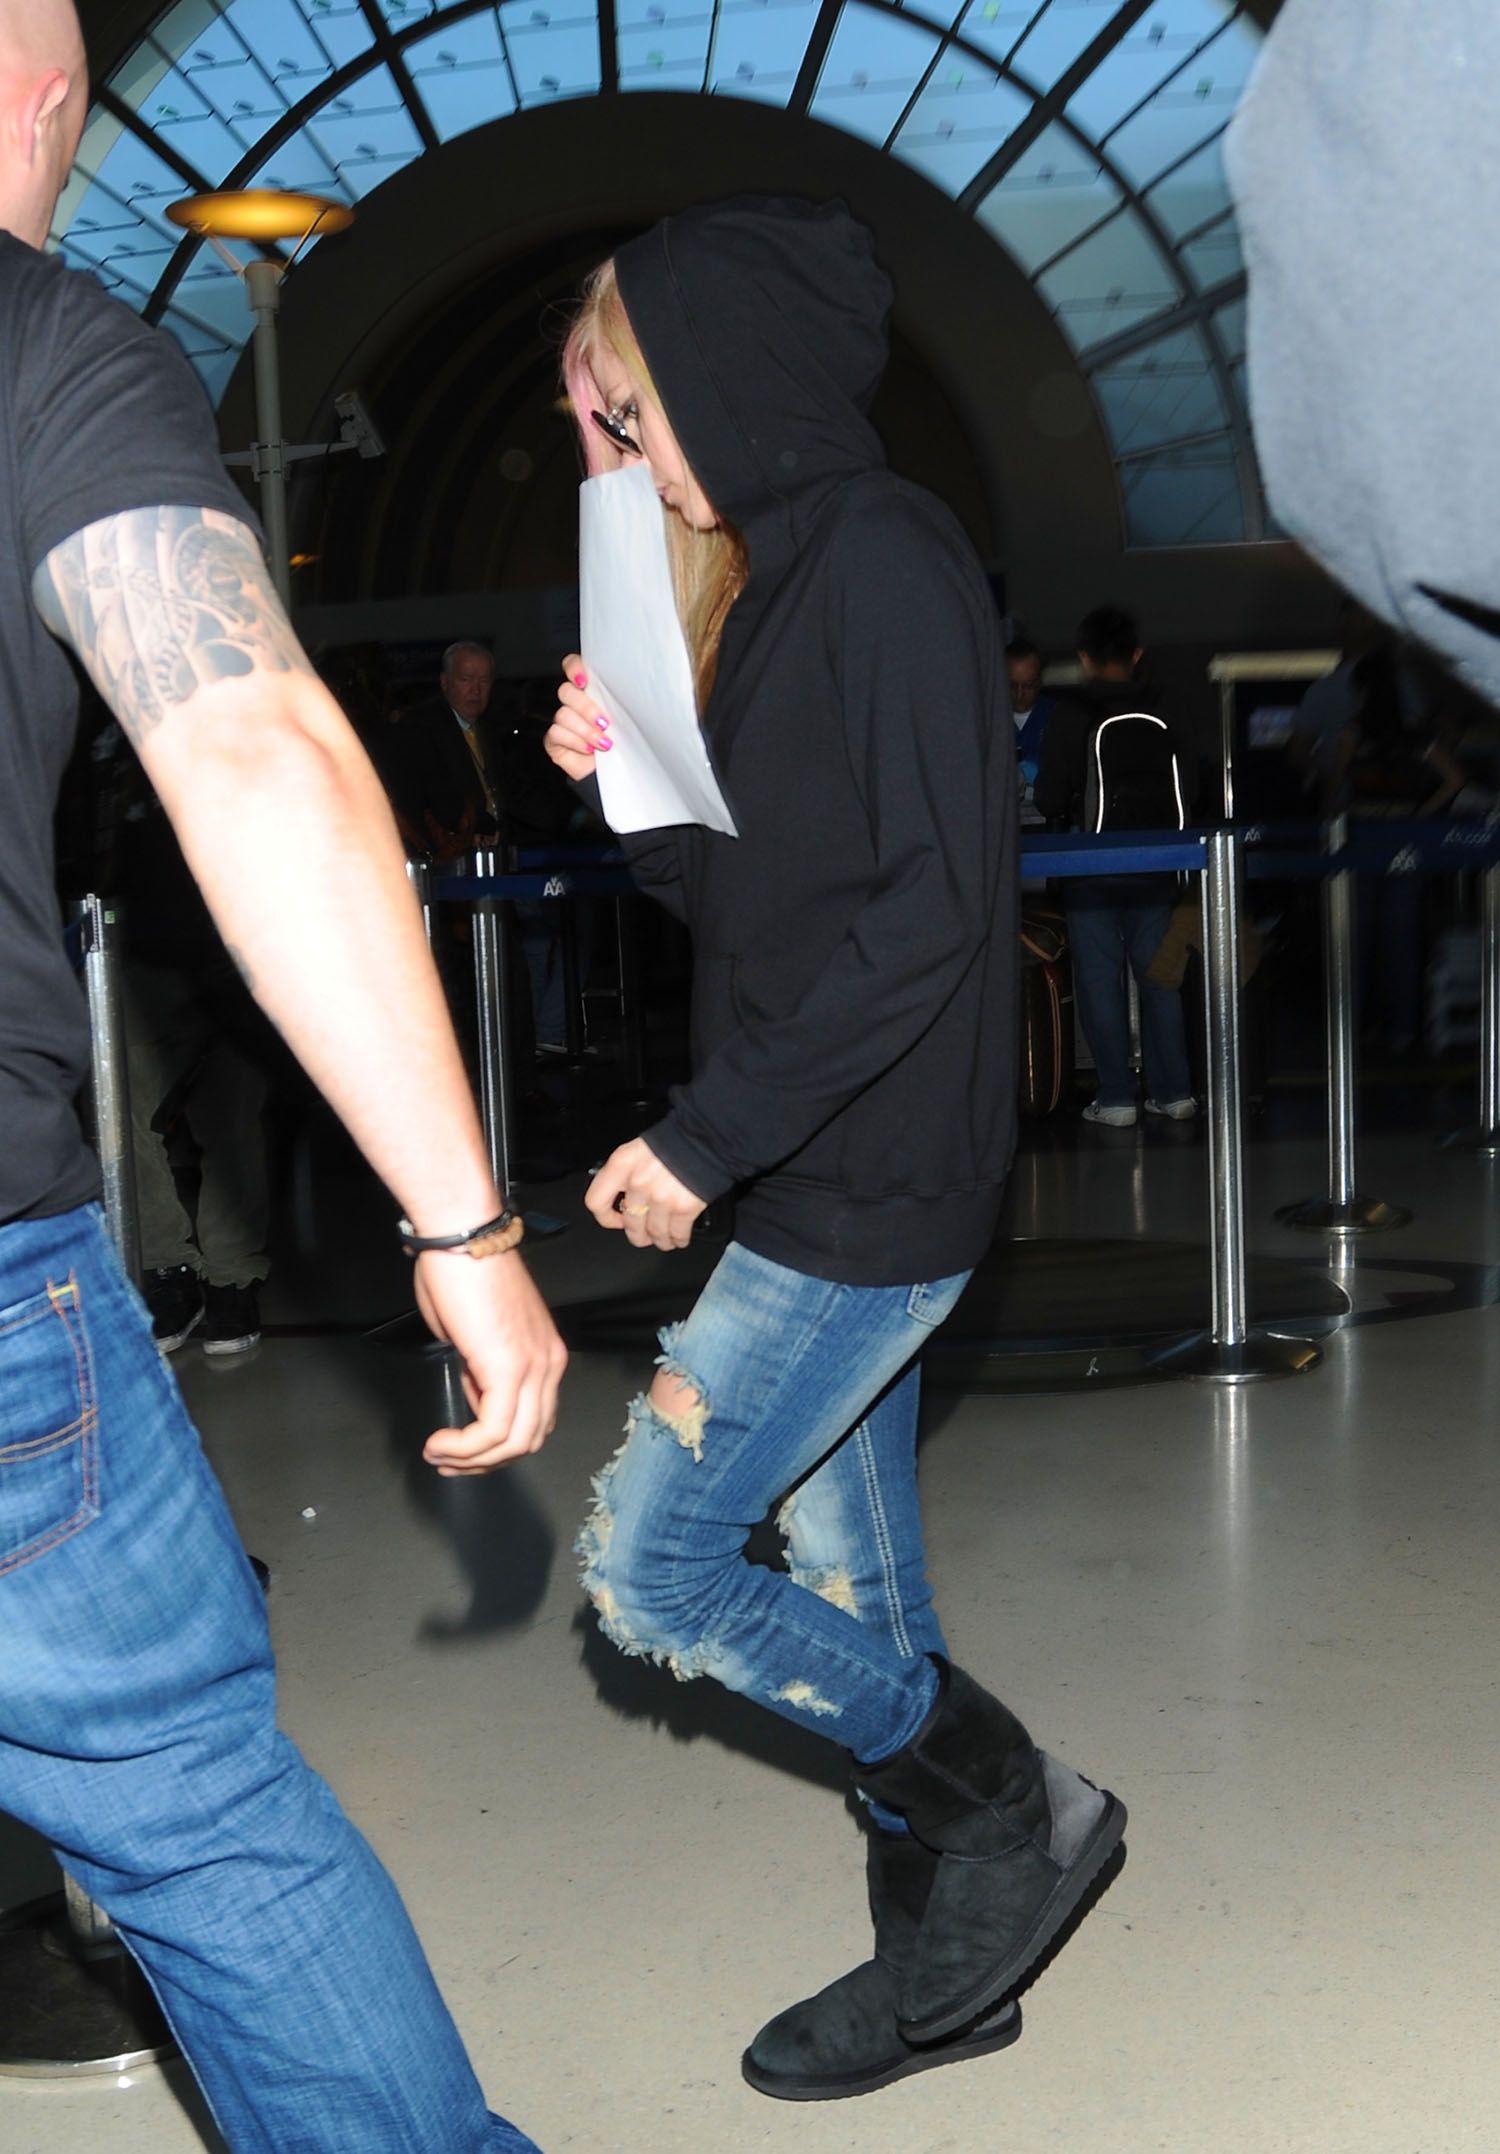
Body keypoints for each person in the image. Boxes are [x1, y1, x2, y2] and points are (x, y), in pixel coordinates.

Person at [0, 4, 565, 2146]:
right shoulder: (46, 344)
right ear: (42, 102)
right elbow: (248, 744)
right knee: (197, 1815)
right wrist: (464, 1223)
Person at [545, 196, 1125, 2103]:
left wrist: (702, 1136)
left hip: (867, 1169)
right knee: (853, 1571)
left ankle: (1019, 1807)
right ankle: (953, 1963)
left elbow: (933, 914)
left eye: (630, 417)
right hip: (813, 1149)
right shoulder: (762, 574)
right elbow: (742, 898)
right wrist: (626, 789)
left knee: (654, 1566)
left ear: (727, 378)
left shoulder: (883, 554)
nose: (622, 461)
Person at [1034, 605, 1199, 1126]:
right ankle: (1174, 1092)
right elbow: (1192, 786)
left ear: (1084, 657)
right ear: (1136, 654)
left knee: (1099, 982)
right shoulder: (1166, 707)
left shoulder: (1071, 713)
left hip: (1091, 867)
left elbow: (1049, 797)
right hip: (1158, 864)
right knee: (1161, 979)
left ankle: (1117, 1098)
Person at [1005, 635, 1054, 829]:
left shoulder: (1057, 717)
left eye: (1028, 686)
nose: (1019, 694)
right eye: (1012, 685)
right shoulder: (987, 721)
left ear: (1040, 681)